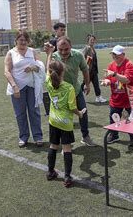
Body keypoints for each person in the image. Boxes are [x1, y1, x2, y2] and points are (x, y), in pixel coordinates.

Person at [45, 36, 96, 146]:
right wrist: (48, 53)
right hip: (60, 94)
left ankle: (85, 136)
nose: (63, 52)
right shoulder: (54, 57)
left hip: (75, 90)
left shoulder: (78, 55)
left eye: (66, 49)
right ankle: (65, 143)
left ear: (71, 46)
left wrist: (87, 84)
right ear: (57, 48)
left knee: (83, 112)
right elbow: (48, 72)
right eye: (60, 49)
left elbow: (85, 70)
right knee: (63, 117)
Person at [45, 59, 85, 188]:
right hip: (65, 123)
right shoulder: (69, 88)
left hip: (53, 120)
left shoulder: (48, 82)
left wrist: (49, 54)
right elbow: (72, 107)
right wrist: (80, 113)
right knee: (67, 148)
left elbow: (47, 70)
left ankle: (50, 172)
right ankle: (67, 177)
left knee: (53, 146)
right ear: (63, 72)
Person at [4, 30, 45, 148]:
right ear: (16, 40)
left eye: (25, 40)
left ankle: (38, 137)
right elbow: (7, 71)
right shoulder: (10, 53)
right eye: (20, 39)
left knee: (34, 112)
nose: (23, 42)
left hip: (32, 87)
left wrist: (33, 67)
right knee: (20, 114)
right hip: (17, 88)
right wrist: (14, 86)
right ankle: (23, 137)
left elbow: (40, 67)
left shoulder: (32, 51)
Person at [101, 45, 133, 147]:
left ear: (123, 55)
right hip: (116, 98)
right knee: (113, 117)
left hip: (131, 98)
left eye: (117, 55)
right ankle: (114, 135)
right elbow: (108, 79)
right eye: (113, 54)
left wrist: (114, 75)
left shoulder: (130, 65)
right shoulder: (111, 65)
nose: (114, 57)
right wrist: (106, 82)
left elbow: (126, 80)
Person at [82, 34, 107, 103]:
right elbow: (82, 57)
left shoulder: (93, 48)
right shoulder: (87, 48)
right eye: (91, 40)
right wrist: (85, 65)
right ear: (88, 41)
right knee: (85, 84)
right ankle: (78, 96)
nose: (92, 41)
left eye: (93, 40)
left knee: (96, 84)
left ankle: (98, 97)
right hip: (88, 70)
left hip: (94, 70)